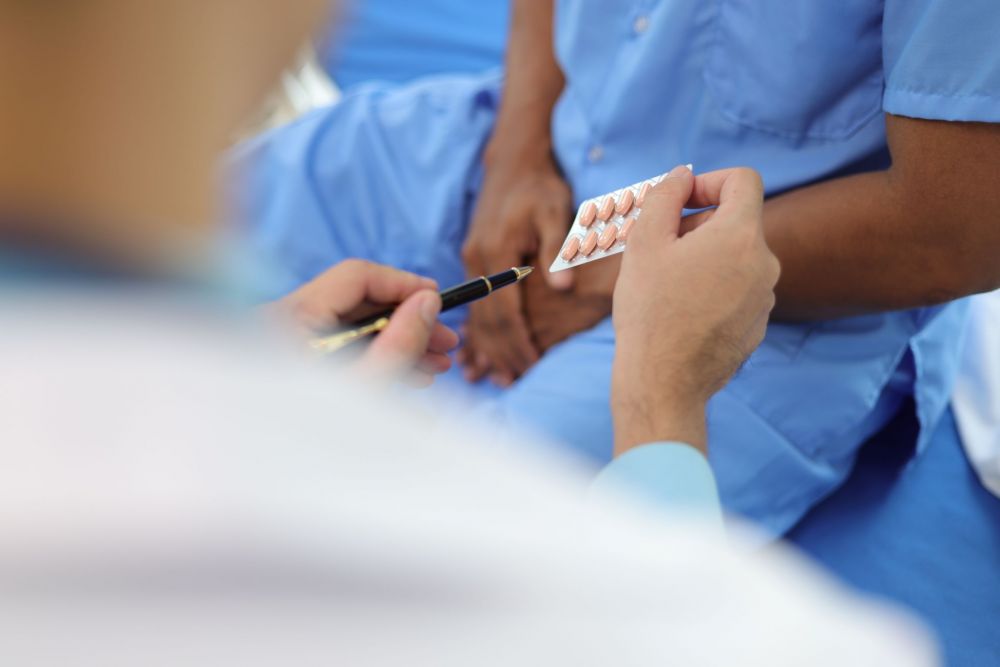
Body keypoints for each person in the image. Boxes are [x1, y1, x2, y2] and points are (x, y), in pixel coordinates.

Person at [232, 0, 1000, 538]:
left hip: (778, 298)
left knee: (437, 537)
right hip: (520, 157)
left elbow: (960, 228)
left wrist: (610, 275)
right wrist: (515, 155)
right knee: (188, 239)